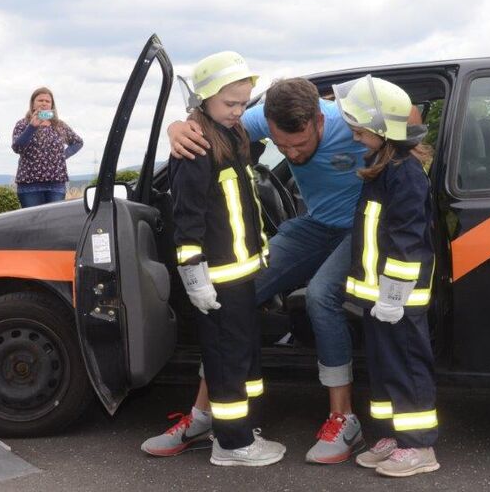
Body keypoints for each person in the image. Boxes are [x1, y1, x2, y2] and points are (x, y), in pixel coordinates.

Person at [144, 76, 367, 464]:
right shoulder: (261, 117)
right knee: (235, 295)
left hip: (360, 226)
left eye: (300, 145)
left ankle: (344, 419)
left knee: (320, 297)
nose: (292, 154)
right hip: (316, 225)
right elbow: (212, 127)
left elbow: (407, 122)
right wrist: (178, 127)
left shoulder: (349, 121)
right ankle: (205, 414)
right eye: (282, 146)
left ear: (318, 121)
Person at [142, 51, 285, 467]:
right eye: (230, 103)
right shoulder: (197, 148)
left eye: (243, 103)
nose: (238, 111)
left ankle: (242, 429)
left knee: (243, 357)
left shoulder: (231, 136)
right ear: (203, 99)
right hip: (218, 280)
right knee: (226, 362)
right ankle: (232, 445)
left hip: (240, 276)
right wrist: (195, 278)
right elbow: (187, 220)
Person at [333, 75, 439, 477]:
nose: (355, 136)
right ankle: (394, 436)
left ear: (383, 129)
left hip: (399, 299)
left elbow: (408, 240)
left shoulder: (405, 172)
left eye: (360, 130)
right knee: (384, 368)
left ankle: (419, 447)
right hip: (379, 297)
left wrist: (393, 296)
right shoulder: (383, 166)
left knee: (408, 368)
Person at [12, 87, 83, 207]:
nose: (44, 103)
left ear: (51, 105)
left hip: (56, 184)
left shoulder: (59, 125)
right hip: (30, 185)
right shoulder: (23, 124)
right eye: (40, 100)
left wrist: (62, 156)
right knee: (33, 219)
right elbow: (17, 148)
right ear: (33, 104)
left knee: (55, 218)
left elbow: (78, 142)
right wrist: (32, 127)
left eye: (47, 101)